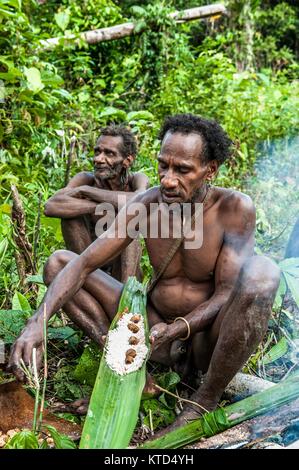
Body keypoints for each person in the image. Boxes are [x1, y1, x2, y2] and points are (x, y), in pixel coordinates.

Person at [8, 114, 280, 432]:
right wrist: (35, 325)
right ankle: (129, 365)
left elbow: (224, 293)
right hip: (152, 335)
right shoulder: (146, 204)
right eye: (163, 165)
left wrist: (179, 327)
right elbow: (82, 265)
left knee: (264, 272)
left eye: (182, 170)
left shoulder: (234, 208)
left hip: (203, 341)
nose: (167, 179)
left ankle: (203, 400)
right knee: (58, 262)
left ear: (211, 170)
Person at [44, 124, 149, 282]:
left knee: (129, 218)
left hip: (122, 269)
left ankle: (126, 296)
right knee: (70, 214)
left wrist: (87, 192)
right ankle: (82, 279)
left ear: (127, 161)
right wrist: (97, 206)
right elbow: (51, 206)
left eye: (109, 154)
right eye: (97, 152)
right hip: (88, 266)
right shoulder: (85, 178)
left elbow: (139, 201)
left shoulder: (137, 180)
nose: (98, 159)